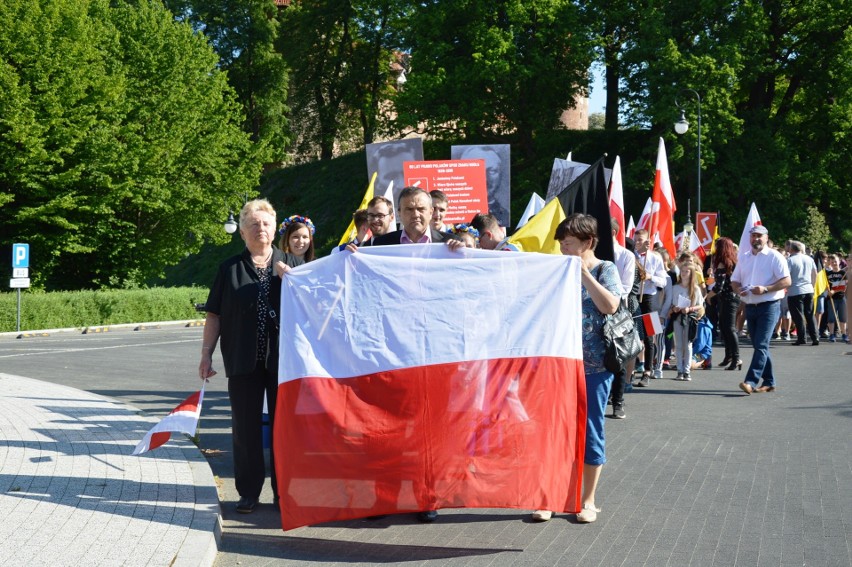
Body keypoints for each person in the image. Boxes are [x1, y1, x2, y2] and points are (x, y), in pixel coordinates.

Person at [350, 186, 461, 522]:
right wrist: (350, 255)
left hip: (434, 353)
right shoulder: (379, 246)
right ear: (399, 213)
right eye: (408, 209)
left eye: (421, 209)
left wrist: (463, 255)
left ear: (432, 211)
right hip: (390, 351)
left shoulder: (450, 246)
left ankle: (427, 497)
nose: (415, 215)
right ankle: (382, 498)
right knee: (384, 426)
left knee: (429, 430)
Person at [198, 199, 304, 514]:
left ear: (275, 229)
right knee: (244, 429)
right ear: (242, 232)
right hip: (242, 360)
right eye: (254, 224)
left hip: (284, 362)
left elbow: (319, 303)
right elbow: (214, 314)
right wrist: (206, 354)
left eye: (266, 223)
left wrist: (292, 280)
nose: (261, 228)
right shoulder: (229, 268)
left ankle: (285, 494)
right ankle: (248, 492)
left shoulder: (292, 264)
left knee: (285, 429)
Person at [532, 213, 620, 523]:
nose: (562, 250)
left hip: (595, 366)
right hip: (557, 365)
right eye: (560, 244)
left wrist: (584, 274)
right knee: (553, 431)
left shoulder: (605, 269)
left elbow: (611, 305)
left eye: (568, 244)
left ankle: (588, 500)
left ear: (588, 243)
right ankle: (551, 497)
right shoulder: (556, 270)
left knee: (591, 430)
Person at [730, 225, 791, 395]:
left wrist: (766, 289)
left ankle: (750, 381)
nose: (755, 239)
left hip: (769, 306)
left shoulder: (775, 257)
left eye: (759, 236)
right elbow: (734, 280)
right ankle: (770, 382)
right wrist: (738, 289)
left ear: (766, 237)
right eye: (753, 236)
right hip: (750, 306)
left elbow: (786, 281)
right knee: (759, 345)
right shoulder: (744, 257)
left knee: (761, 344)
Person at [632, 229, 668, 387]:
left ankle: (648, 370)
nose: (638, 243)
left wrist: (650, 277)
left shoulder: (655, 258)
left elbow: (663, 281)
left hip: (650, 297)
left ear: (648, 241)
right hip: (633, 296)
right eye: (636, 240)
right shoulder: (631, 256)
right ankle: (631, 369)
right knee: (632, 333)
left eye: (641, 240)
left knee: (650, 335)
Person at [608, 218, 636, 419]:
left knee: (619, 357)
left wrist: (606, 298)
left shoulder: (625, 256)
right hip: (594, 311)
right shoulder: (593, 255)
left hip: (617, 311)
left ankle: (618, 402)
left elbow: (626, 287)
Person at [706, 237, 743, 369]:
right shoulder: (733, 261)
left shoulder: (723, 263)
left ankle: (736, 357)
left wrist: (708, 296)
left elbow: (718, 286)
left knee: (729, 328)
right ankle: (729, 356)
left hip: (728, 298)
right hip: (730, 298)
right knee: (724, 327)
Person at [669, 256, 705, 381]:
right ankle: (680, 370)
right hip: (678, 317)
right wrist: (675, 308)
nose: (684, 274)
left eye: (686, 271)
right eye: (682, 271)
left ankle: (687, 370)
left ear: (691, 274)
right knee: (678, 345)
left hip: (690, 318)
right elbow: (672, 303)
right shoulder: (675, 288)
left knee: (688, 344)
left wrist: (690, 309)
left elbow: (700, 304)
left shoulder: (695, 289)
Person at [786, 240, 819, 346]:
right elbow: (815, 274)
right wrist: (812, 286)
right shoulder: (809, 259)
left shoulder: (790, 260)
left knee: (798, 315)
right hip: (808, 288)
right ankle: (815, 337)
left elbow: (787, 275)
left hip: (795, 290)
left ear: (791, 249)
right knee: (810, 314)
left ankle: (802, 338)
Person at [825, 254, 848, 343]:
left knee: (843, 318)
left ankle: (844, 334)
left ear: (839, 262)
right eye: (832, 262)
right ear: (830, 262)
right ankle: (831, 334)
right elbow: (825, 284)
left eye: (836, 261)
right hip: (831, 299)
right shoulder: (828, 274)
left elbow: (843, 286)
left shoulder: (843, 273)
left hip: (841, 298)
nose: (834, 263)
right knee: (831, 318)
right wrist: (828, 291)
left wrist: (834, 291)